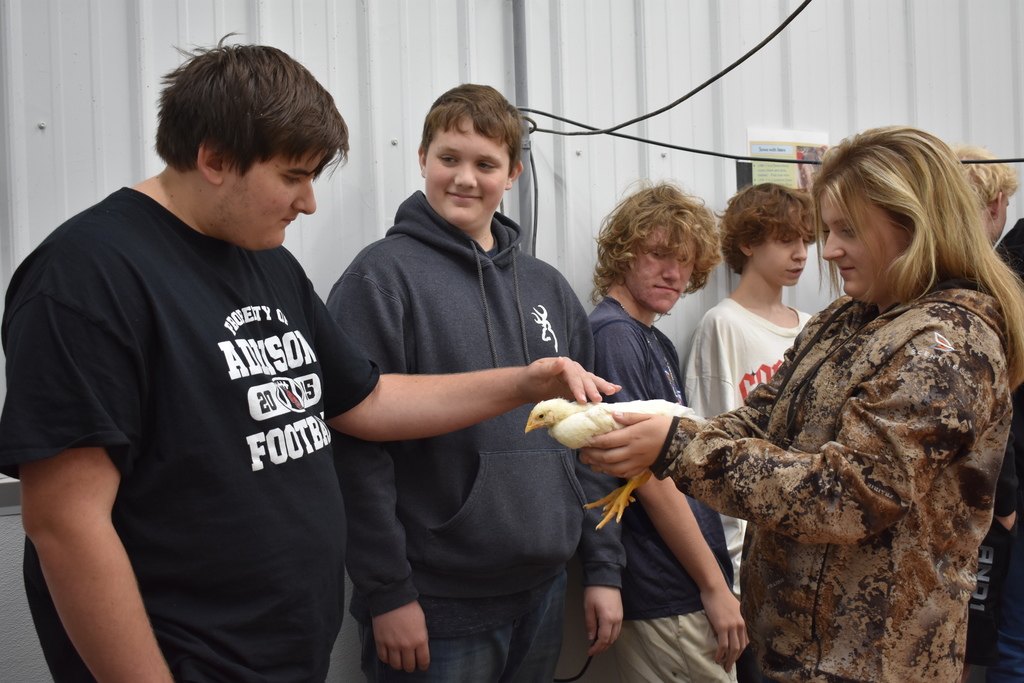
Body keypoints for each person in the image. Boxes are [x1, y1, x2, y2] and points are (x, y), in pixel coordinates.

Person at [0, 45, 615, 683]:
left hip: (285, 651)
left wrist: (527, 381)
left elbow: (368, 404)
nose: (309, 203)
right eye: (293, 177)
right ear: (214, 158)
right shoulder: (85, 277)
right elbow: (65, 523)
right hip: (186, 657)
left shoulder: (266, 260)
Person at [579, 126, 1024, 681]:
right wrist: (666, 433)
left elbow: (847, 496)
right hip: (788, 647)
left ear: (914, 224)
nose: (829, 249)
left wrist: (678, 449)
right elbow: (761, 414)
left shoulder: (946, 344)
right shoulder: (845, 319)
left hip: (870, 661)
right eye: (828, 230)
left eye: (847, 231)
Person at [325, 83, 625, 682]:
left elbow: (591, 435)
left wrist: (603, 571)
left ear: (512, 173)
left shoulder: (547, 288)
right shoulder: (380, 279)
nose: (465, 178)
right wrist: (387, 592)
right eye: (449, 159)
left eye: (485, 164)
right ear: (421, 159)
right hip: (433, 608)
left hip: (543, 593)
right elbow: (355, 449)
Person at [588, 181, 746, 682]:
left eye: (686, 261)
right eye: (657, 254)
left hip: (682, 586)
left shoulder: (650, 338)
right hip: (667, 591)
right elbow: (649, 478)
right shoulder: (613, 337)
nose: (674, 273)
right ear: (622, 253)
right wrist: (714, 587)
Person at [683, 181, 815, 682]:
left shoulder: (814, 324)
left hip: (807, 557)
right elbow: (707, 446)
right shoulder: (723, 326)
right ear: (747, 244)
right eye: (786, 240)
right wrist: (727, 573)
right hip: (749, 567)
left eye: (807, 240)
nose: (801, 254)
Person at [953, 143, 1021, 681]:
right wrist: (1006, 501)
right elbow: (1000, 405)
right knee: (997, 642)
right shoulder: (991, 283)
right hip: (991, 495)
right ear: (998, 201)